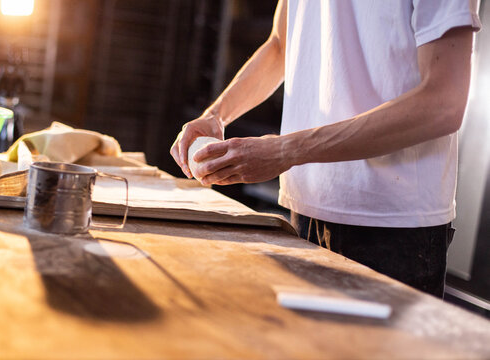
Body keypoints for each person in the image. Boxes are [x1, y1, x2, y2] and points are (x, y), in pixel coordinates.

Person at [170, 0, 481, 298]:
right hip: (307, 208)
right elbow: (281, 43)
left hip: (393, 227)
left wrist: (285, 151)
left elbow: (443, 103)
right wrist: (215, 115)